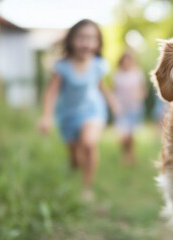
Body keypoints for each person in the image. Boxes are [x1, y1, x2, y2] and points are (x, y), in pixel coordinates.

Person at [38, 19, 118, 200]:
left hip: (93, 111)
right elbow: (51, 93)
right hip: (68, 116)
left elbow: (101, 86)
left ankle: (86, 188)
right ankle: (73, 168)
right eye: (81, 37)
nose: (86, 43)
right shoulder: (62, 67)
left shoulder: (98, 64)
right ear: (71, 40)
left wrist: (113, 102)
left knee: (89, 144)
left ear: (98, 42)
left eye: (91, 38)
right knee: (75, 156)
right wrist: (46, 117)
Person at [113, 51, 147, 164]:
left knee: (131, 136)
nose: (127, 63)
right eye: (125, 61)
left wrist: (140, 97)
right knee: (123, 135)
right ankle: (125, 153)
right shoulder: (117, 75)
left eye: (129, 60)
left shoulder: (137, 73)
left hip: (135, 108)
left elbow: (143, 90)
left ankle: (130, 154)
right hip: (121, 109)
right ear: (121, 62)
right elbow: (114, 91)